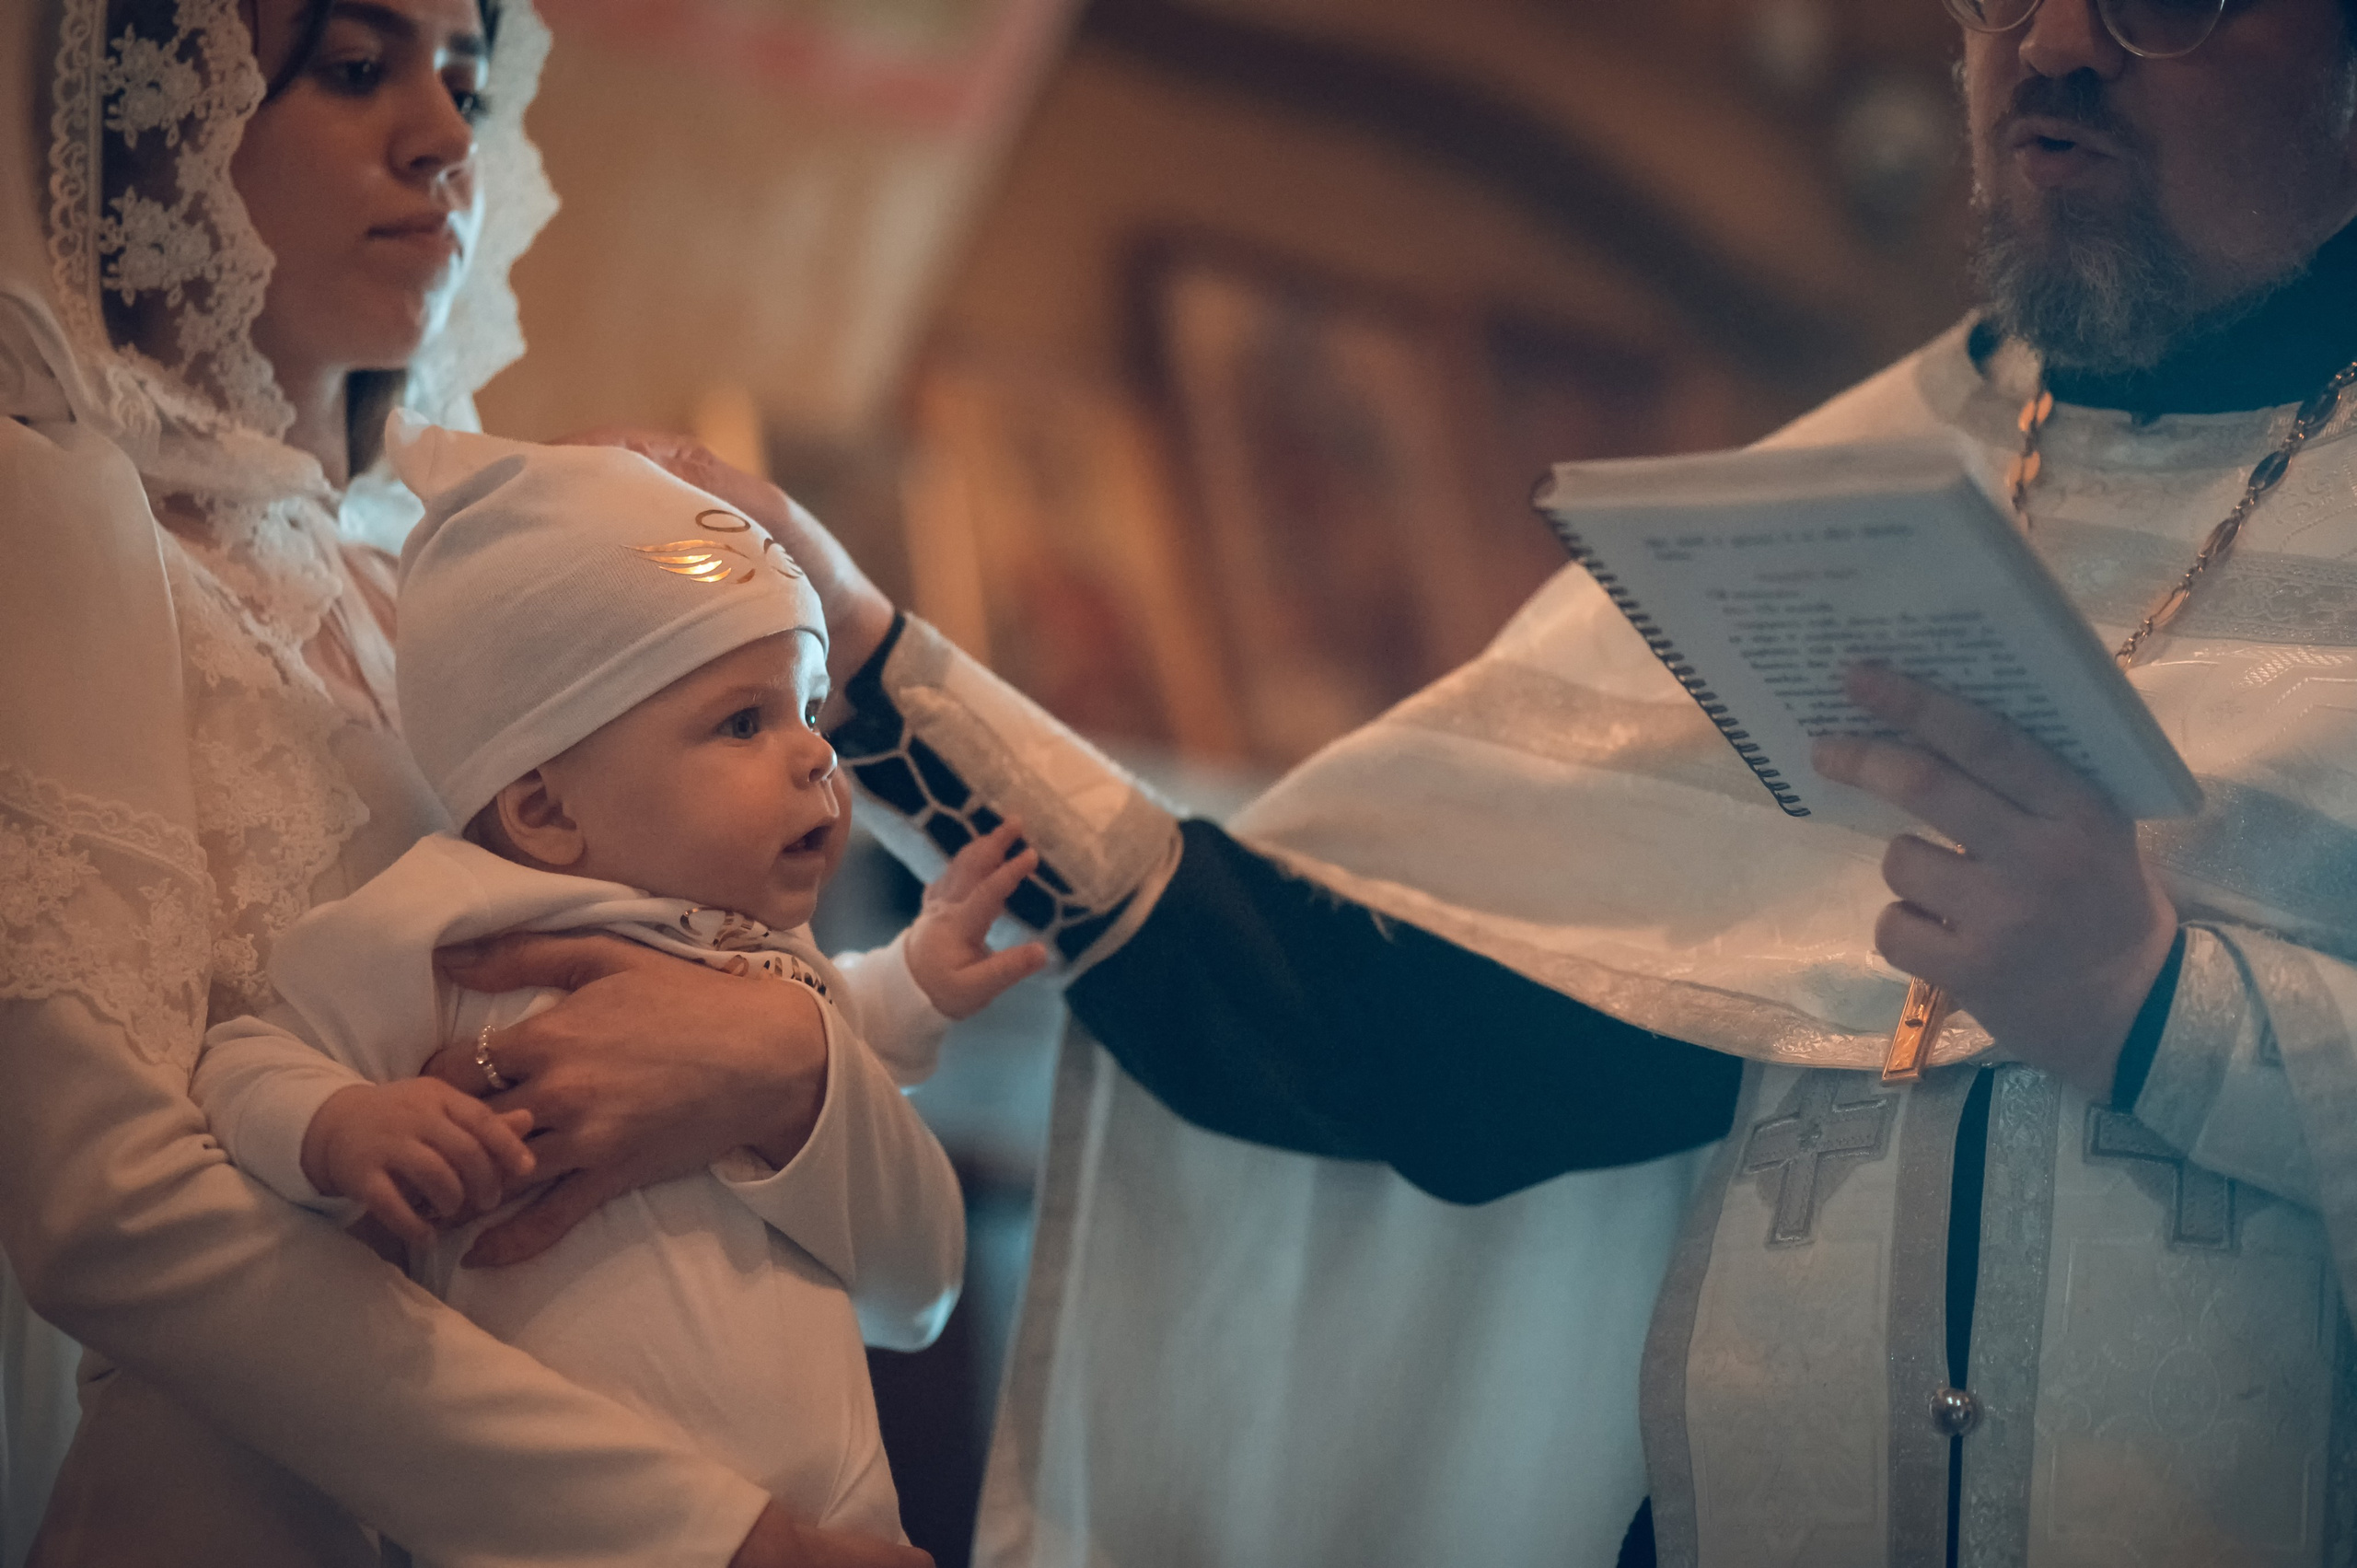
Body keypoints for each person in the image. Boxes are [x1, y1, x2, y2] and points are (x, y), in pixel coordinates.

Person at [589, 0, 2357, 1560]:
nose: (2048, 44)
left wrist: (2160, 1015)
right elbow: (1361, 1021)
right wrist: (876, 660)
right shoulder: (1848, 507)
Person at [0, 1, 930, 1562]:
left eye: (469, 79)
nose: (445, 136)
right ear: (163, 120)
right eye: (359, 70)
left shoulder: (467, 595)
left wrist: (787, 1060)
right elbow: (108, 1205)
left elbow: (911, 1286)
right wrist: (704, 1532)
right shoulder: (59, 525)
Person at [192, 417, 1051, 1555]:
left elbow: (836, 1043)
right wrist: (344, 1121)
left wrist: (913, 977)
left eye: (805, 711)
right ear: (546, 808)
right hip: (589, 1517)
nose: (814, 755)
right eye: (742, 721)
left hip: (832, 1513)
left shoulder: (764, 954)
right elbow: (240, 1061)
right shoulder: (447, 920)